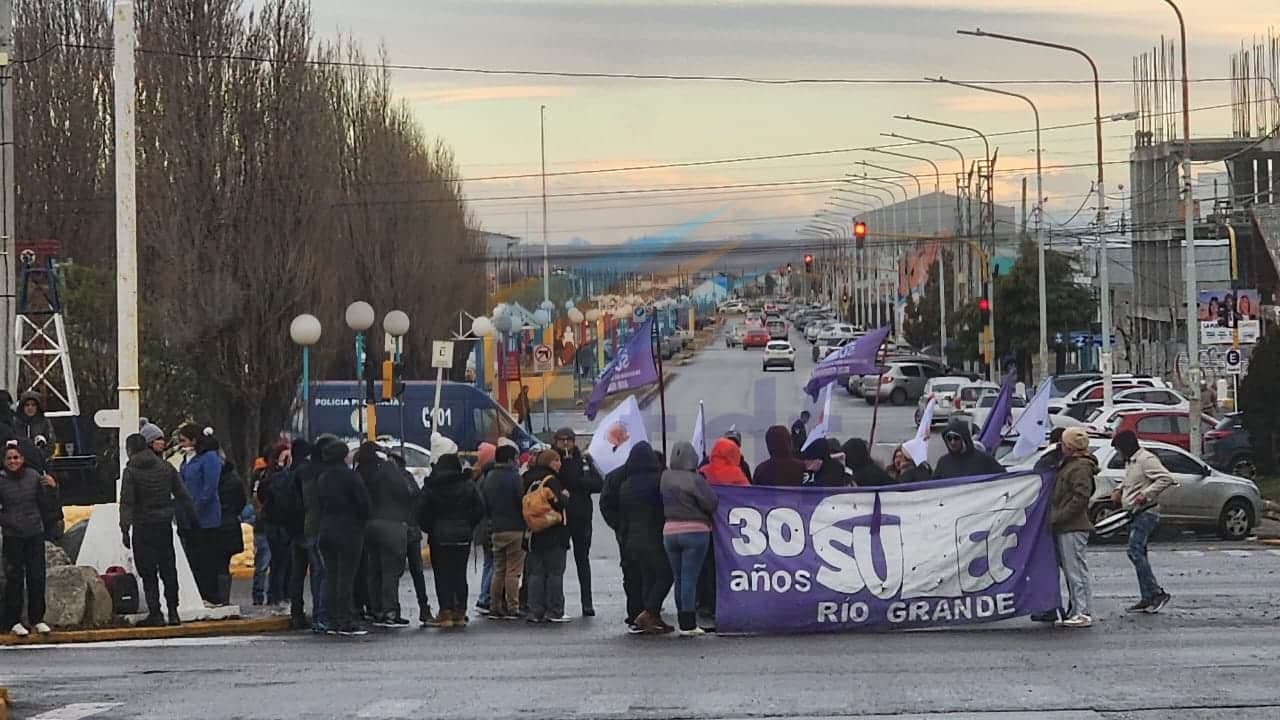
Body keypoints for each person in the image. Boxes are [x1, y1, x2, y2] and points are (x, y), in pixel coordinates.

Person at [120, 432, 196, 627]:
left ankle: (156, 612)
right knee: (168, 568)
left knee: (148, 571)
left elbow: (127, 502)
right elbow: (182, 494)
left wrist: (124, 529)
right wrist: (193, 518)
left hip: (142, 525)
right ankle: (173, 611)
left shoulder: (131, 471)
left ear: (130, 450)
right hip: (163, 524)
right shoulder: (165, 467)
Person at [419, 443, 485, 629]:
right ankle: (460, 612)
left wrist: (430, 527)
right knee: (459, 573)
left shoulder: (432, 486)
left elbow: (421, 511)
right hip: (462, 535)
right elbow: (479, 508)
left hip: (439, 536)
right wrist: (468, 525)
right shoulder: (467, 484)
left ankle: (446, 611)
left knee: (442, 574)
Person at [1110, 430, 1173, 614]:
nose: (1119, 454)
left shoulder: (1146, 459)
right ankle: (1147, 596)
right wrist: (1118, 489)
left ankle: (1155, 592)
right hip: (1134, 512)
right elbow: (1130, 480)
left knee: (1134, 550)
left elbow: (1166, 478)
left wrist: (1145, 495)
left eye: (1119, 450)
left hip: (1146, 512)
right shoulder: (1132, 462)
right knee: (1139, 553)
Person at [661, 441, 718, 636]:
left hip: (669, 531)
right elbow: (711, 503)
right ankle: (689, 624)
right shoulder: (695, 479)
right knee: (690, 578)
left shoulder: (665, 477)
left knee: (679, 578)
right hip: (695, 530)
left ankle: (682, 621)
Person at [1, 440, 57, 636]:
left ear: (23, 459)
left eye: (16, 457)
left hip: (34, 532)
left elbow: (47, 505)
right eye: (9, 458)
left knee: (37, 577)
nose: (13, 461)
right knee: (14, 578)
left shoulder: (34, 477)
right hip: (12, 535)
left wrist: (52, 488)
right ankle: (13, 620)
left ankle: (37, 619)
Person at [316, 438, 370, 636]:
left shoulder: (323, 478)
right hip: (348, 531)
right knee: (346, 578)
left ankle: (331, 618)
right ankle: (345, 619)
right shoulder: (350, 477)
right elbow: (363, 504)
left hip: (326, 530)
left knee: (331, 576)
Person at [618, 442, 673, 634]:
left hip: (632, 538)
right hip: (654, 534)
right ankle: (649, 612)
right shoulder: (658, 481)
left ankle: (652, 617)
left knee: (648, 577)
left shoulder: (626, 485)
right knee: (666, 574)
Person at [356, 442, 412, 628]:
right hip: (391, 524)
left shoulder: (361, 472)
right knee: (390, 572)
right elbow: (406, 493)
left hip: (369, 526)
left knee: (373, 569)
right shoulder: (389, 472)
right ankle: (390, 611)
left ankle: (375, 609)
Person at [1049, 427, 1097, 629]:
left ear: (1069, 446)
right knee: (1072, 570)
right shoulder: (1071, 465)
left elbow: (1081, 497)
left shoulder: (1079, 468)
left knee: (1076, 570)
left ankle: (1083, 612)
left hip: (1072, 526)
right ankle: (1078, 609)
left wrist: (1059, 516)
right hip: (1067, 526)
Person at [553, 428, 603, 616]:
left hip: (582, 516)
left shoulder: (584, 460)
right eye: (562, 440)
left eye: (569, 440)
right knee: (557, 563)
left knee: (583, 560)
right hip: (560, 517)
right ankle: (557, 604)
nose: (565, 444)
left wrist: (580, 482)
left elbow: (599, 483)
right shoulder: (552, 460)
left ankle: (587, 602)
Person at [521, 449, 573, 624]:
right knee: (554, 573)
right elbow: (559, 503)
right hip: (554, 532)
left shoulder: (527, 478)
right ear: (549, 463)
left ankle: (535, 611)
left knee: (535, 573)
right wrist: (565, 496)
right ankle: (555, 610)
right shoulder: (551, 481)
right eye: (556, 460)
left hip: (533, 534)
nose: (560, 464)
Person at [176, 425, 225, 605]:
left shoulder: (209, 458)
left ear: (194, 440)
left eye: (184, 441)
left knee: (207, 560)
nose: (181, 445)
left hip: (206, 519)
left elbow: (209, 488)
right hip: (188, 519)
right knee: (194, 559)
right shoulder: (187, 459)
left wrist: (195, 509)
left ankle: (211, 595)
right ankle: (199, 594)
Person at [481, 444, 527, 621]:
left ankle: (494, 606)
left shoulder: (489, 477)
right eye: (516, 458)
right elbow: (521, 501)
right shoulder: (515, 478)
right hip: (515, 528)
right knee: (513, 571)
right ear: (510, 459)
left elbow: (485, 503)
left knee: (498, 569)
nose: (517, 462)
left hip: (496, 528)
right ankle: (512, 606)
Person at [392, 453, 434, 627]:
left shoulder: (394, 480)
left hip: (401, 530)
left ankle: (395, 609)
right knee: (416, 572)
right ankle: (423, 609)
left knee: (395, 572)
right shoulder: (408, 479)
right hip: (411, 530)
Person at [299, 436, 335, 633]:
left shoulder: (305, 472)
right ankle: (322, 615)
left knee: (316, 573)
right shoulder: (326, 474)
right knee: (326, 573)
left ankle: (317, 615)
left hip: (308, 527)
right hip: (323, 526)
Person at [253, 442, 293, 609]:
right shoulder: (267, 476)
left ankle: (275, 595)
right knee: (271, 561)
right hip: (271, 523)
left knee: (281, 562)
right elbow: (259, 496)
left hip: (278, 522)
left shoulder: (288, 474)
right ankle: (270, 596)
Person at [215, 447, 247, 607]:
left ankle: (217, 598)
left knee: (216, 563)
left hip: (216, 525)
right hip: (229, 523)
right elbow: (241, 501)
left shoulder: (211, 479)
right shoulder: (234, 479)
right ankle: (224, 599)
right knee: (223, 565)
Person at [932, 418, 1006, 480]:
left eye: (956, 438)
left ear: (964, 439)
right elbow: (933, 487)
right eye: (949, 438)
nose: (952, 442)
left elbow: (1004, 479)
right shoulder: (943, 462)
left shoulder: (984, 460)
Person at [471, 442, 497, 617]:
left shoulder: (477, 476)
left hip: (481, 527)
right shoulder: (488, 477)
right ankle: (485, 597)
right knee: (494, 563)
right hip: (489, 526)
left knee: (489, 562)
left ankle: (484, 596)